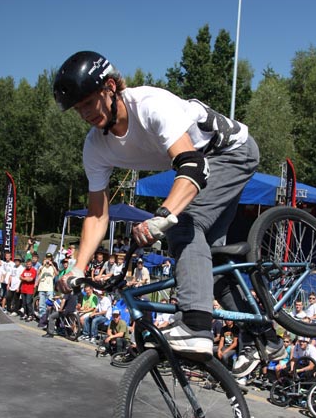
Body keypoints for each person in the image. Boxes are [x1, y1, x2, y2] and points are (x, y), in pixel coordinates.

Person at [54, 50, 281, 365]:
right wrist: (78, 268)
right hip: (202, 166)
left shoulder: (149, 106)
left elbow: (193, 168)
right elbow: (96, 214)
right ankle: (265, 337)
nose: (86, 114)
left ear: (109, 87)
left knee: (184, 225)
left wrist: (162, 218)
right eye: (78, 109)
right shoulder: (95, 146)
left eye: (88, 103)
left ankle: (196, 326)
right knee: (206, 268)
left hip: (231, 153)